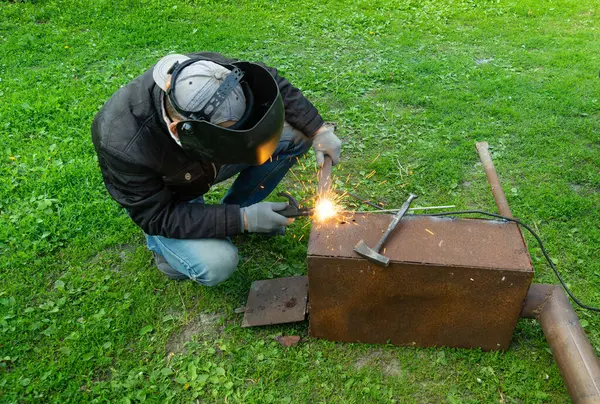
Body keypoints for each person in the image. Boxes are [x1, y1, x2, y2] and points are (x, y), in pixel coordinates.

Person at [91, 52, 341, 286]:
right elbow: (157, 215)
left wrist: (318, 129)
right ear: (180, 129)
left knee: (297, 134)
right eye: (228, 132)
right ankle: (169, 253)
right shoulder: (122, 144)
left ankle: (235, 210)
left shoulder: (209, 73)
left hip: (206, 162)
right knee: (218, 263)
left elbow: (271, 83)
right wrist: (242, 220)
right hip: (172, 196)